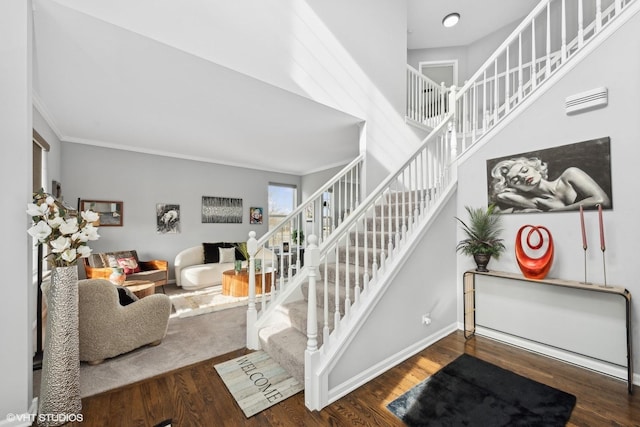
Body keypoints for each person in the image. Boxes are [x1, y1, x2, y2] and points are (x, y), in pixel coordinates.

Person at [490, 156, 611, 212]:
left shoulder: (570, 175)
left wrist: (557, 211)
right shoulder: (537, 202)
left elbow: (602, 201)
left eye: (524, 170)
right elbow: (500, 196)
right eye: (515, 180)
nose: (523, 177)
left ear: (535, 168)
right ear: (515, 188)